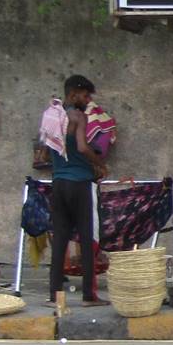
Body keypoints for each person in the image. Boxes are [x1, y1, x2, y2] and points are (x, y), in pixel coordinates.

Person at [47, 74, 109, 307]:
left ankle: (54, 296)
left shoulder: (51, 115)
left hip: (59, 183)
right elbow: (82, 147)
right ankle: (89, 295)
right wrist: (100, 164)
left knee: (60, 239)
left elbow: (48, 148)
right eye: (85, 95)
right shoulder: (77, 116)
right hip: (80, 183)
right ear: (73, 94)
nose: (88, 100)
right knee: (88, 239)